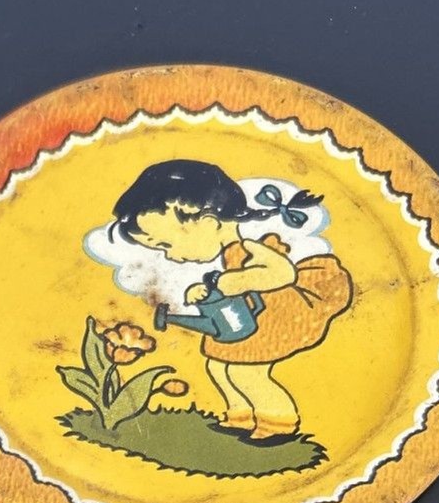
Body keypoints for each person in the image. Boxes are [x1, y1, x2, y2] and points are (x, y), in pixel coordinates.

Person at [110, 159, 352, 442]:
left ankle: (279, 423)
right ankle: (240, 416)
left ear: (209, 223)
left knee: (246, 373)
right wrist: (203, 292)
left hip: (282, 311)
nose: (170, 256)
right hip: (252, 317)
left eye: (166, 244)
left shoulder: (250, 247)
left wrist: (235, 281)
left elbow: (283, 273)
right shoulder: (230, 254)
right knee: (217, 366)